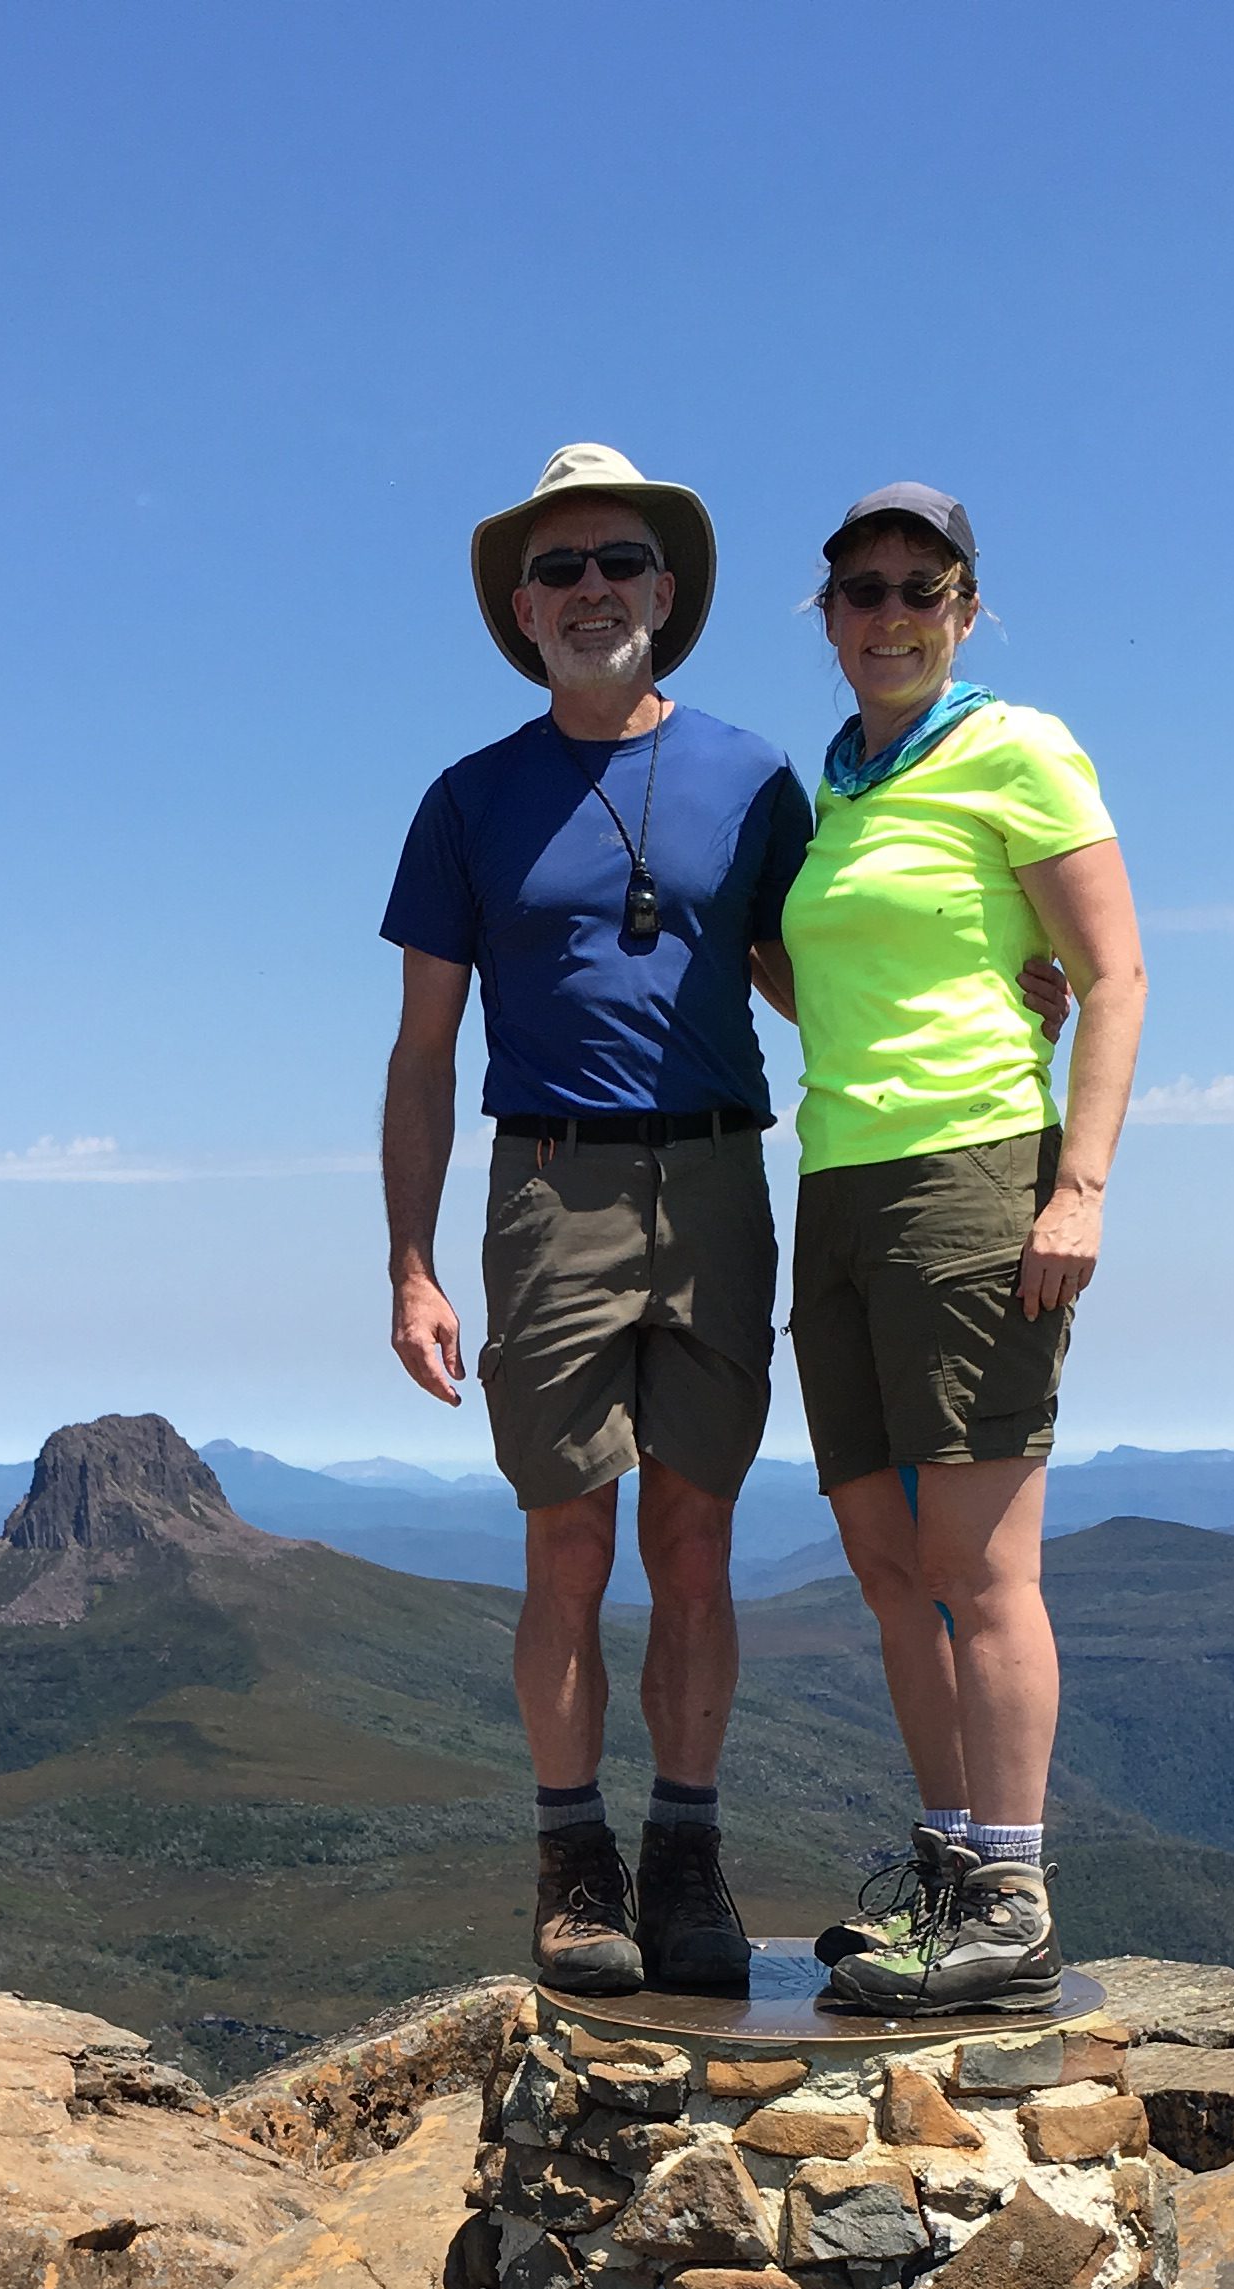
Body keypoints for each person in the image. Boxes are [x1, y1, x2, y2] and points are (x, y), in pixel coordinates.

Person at [377, 444, 814, 1998]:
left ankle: (685, 1860)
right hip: (550, 1185)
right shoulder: (467, 800)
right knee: (567, 1537)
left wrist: (991, 986)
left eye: (619, 561)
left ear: (667, 591)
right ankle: (575, 1868)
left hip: (716, 1177)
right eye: (558, 569)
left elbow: (812, 972)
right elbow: (424, 1051)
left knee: (697, 1538)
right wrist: (413, 1263)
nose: (591, 589)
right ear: (521, 608)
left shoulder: (755, 781)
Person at [751, 480, 1147, 2020]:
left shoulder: (1017, 750)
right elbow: (822, 974)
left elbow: (1114, 974)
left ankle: (1013, 1899)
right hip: (839, 1187)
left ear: (967, 611)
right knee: (886, 1565)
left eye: (923, 589)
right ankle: (946, 1869)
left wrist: (1079, 1187)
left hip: (975, 1175)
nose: (891, 615)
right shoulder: (841, 784)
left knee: (980, 1567)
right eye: (863, 590)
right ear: (829, 615)